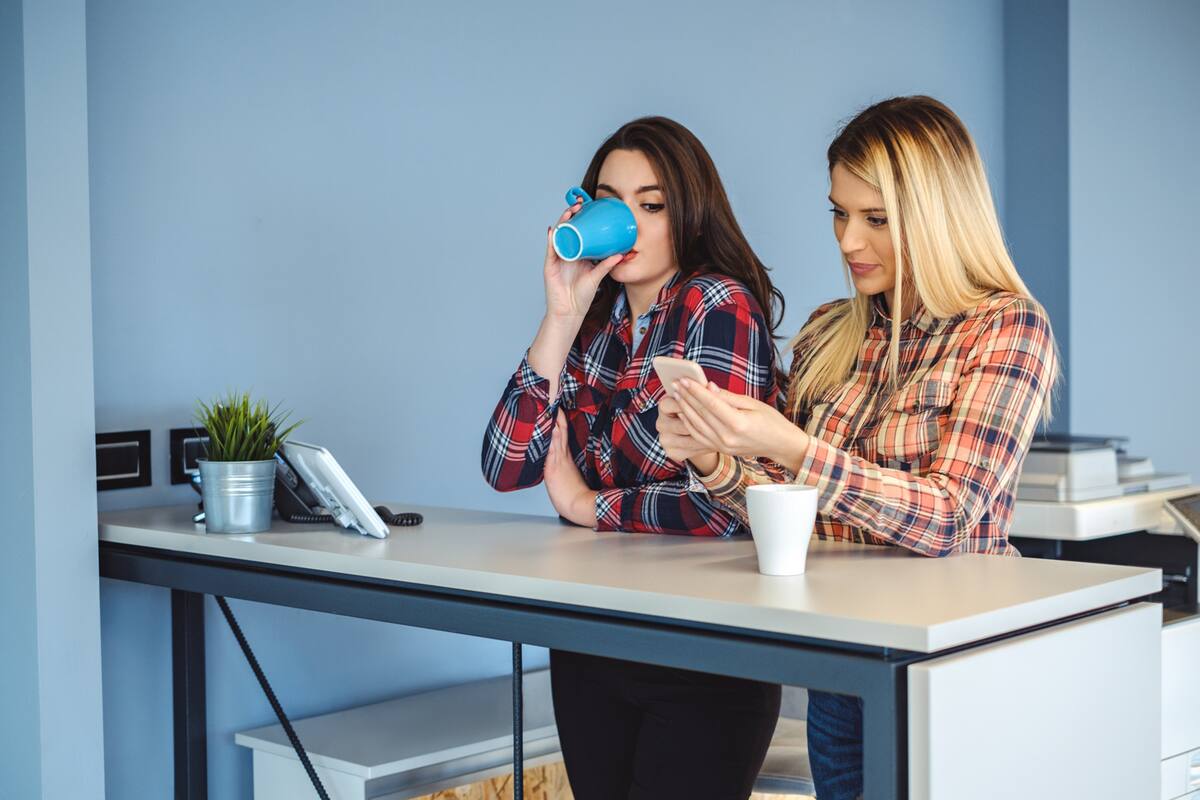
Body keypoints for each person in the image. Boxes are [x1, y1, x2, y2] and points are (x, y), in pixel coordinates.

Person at [658, 96, 1060, 800]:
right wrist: (715, 458)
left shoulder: (1006, 329)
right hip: (844, 670)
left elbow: (949, 516)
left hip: (955, 670)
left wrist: (791, 445)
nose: (848, 241)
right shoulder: (826, 332)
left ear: (937, 216)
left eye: (876, 219)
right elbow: (790, 521)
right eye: (839, 214)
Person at [481, 116, 785, 799]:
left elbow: (721, 507)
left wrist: (590, 504)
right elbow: (508, 464)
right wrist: (559, 314)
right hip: (594, 637)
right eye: (613, 203)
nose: (631, 222)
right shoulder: (596, 321)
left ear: (689, 215)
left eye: (652, 205)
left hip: (701, 652)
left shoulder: (718, 304)